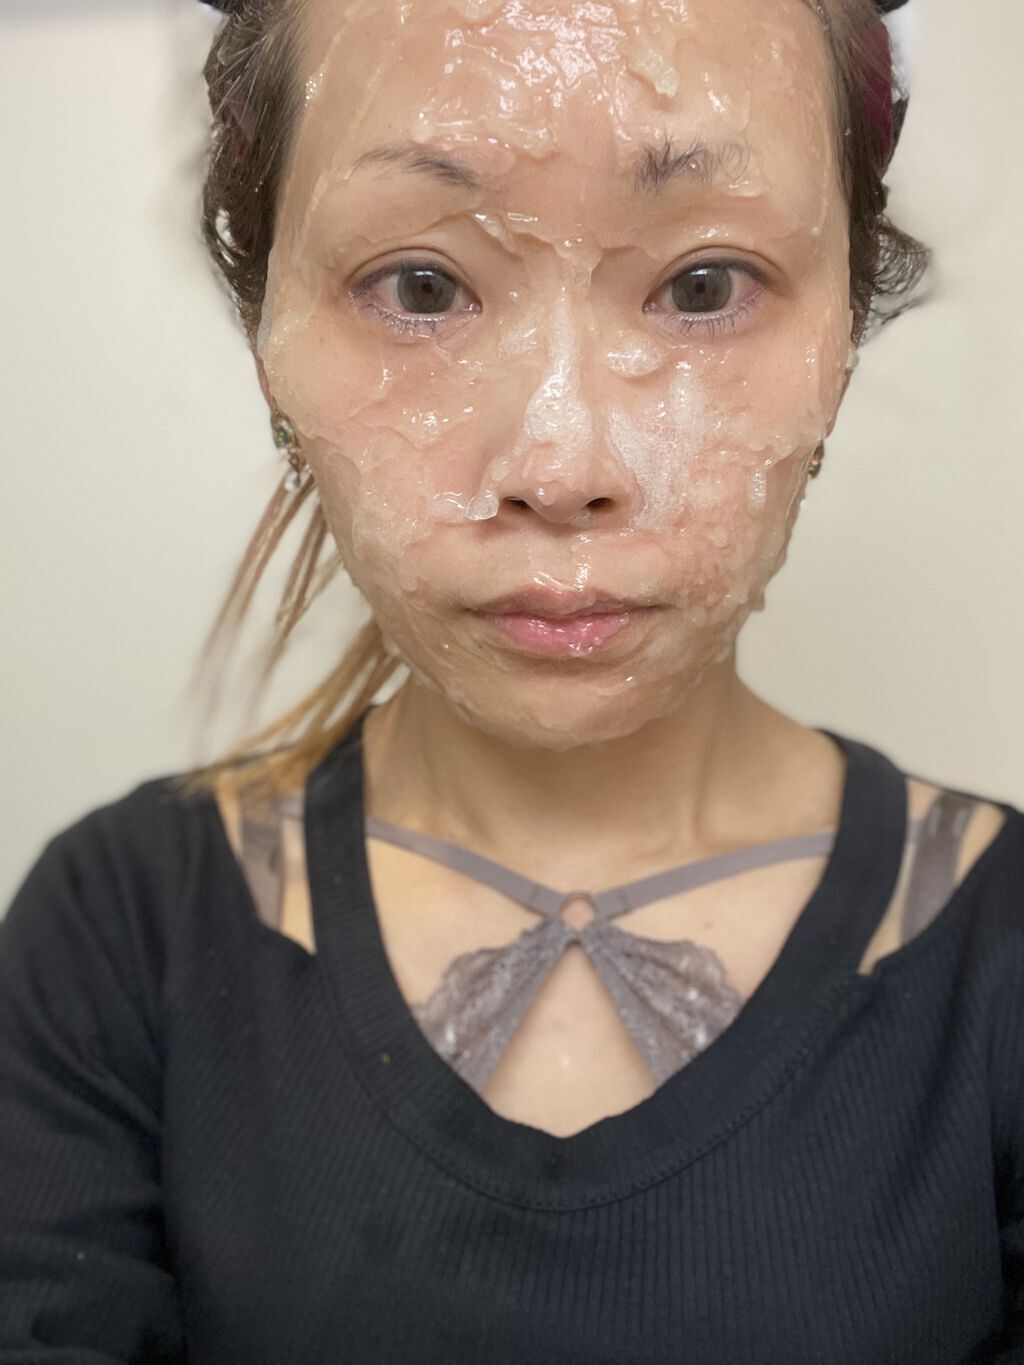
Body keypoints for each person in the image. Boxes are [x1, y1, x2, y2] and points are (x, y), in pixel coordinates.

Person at [2, 0, 1021, 1360]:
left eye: (705, 285)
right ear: (267, 338)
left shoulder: (1003, 953)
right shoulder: (119, 938)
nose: (561, 463)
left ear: (845, 327)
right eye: (421, 288)